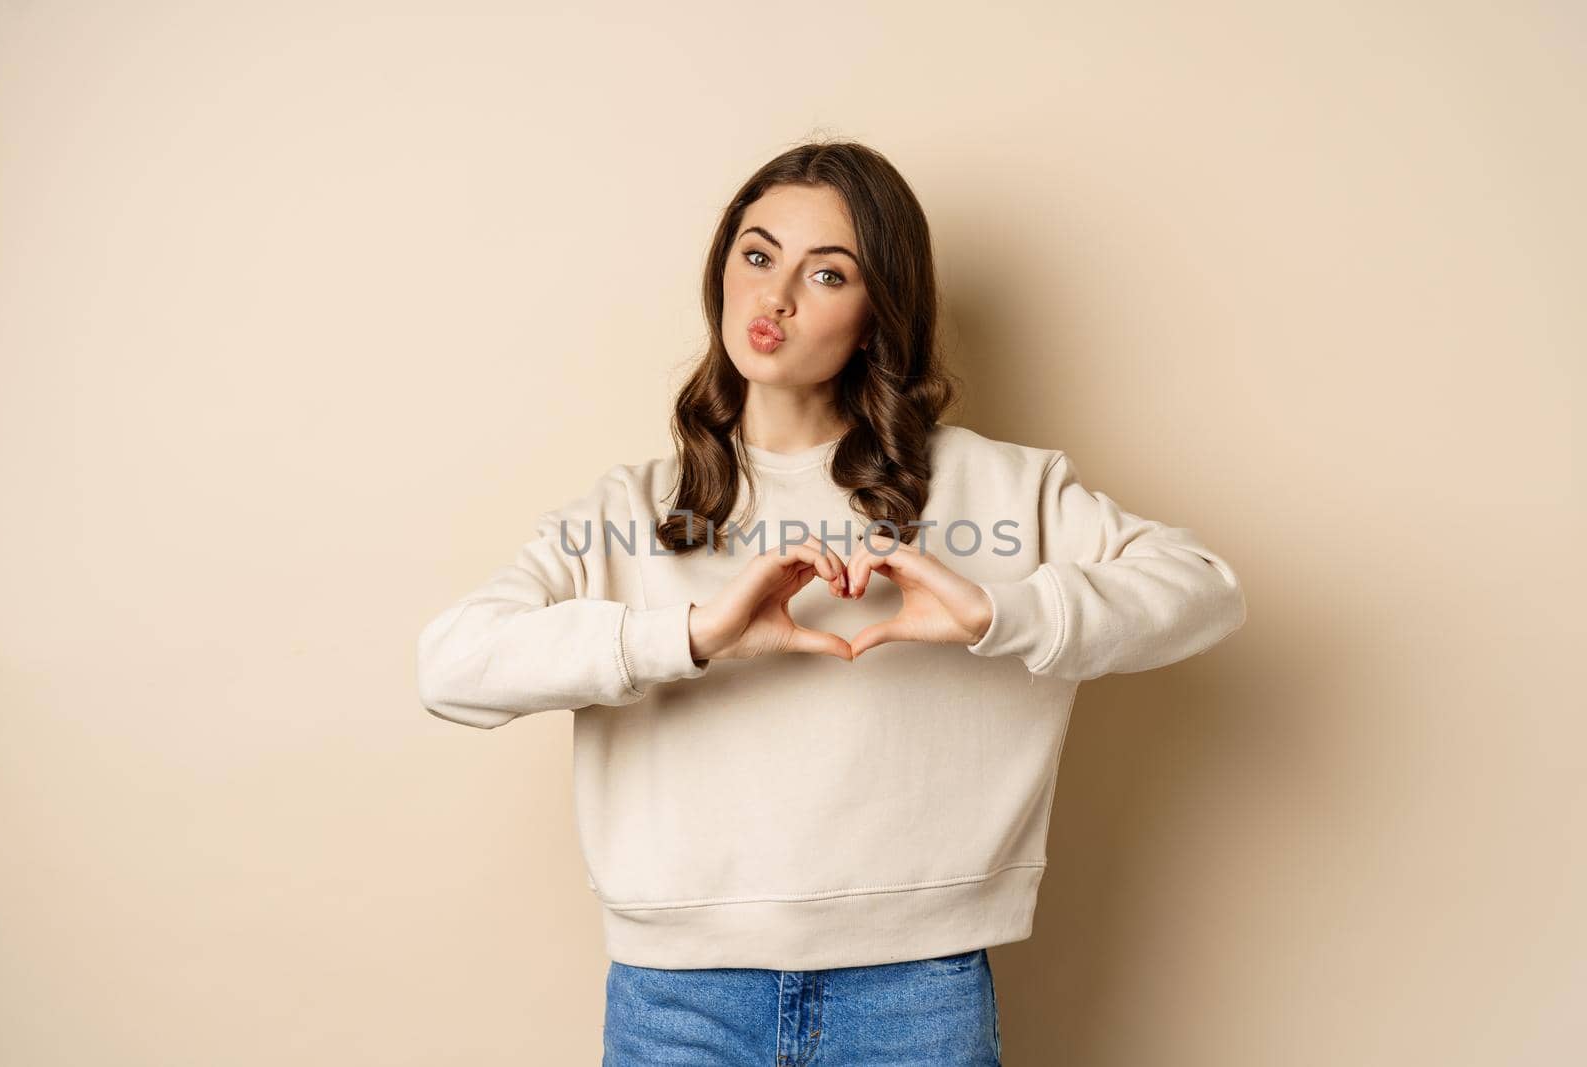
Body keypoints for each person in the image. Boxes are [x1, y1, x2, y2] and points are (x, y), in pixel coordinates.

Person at [416, 140, 1248, 1066]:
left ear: (878, 312)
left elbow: (1205, 588)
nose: (775, 298)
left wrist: (997, 615)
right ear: (723, 269)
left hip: (917, 994)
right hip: (676, 999)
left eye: (828, 273)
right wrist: (692, 636)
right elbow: (451, 666)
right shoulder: (629, 511)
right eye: (757, 255)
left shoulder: (999, 488)